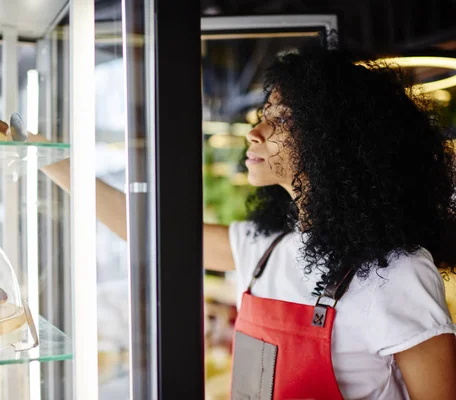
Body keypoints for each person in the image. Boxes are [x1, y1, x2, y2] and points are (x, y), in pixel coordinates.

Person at [32, 43, 456, 399]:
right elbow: (145, 233)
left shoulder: (397, 272)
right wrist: (45, 155)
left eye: (283, 117)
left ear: (339, 141)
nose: (255, 130)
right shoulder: (266, 247)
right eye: (264, 111)